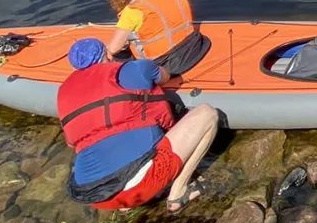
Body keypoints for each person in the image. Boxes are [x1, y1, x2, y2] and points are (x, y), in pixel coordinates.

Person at [57, 37, 219, 211]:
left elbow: (71, 142)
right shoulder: (132, 69)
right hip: (139, 185)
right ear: (108, 55)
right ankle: (179, 193)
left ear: (74, 68)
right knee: (207, 114)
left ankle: (125, 205)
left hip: (97, 198)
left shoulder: (63, 93)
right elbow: (164, 76)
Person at [104, 0, 209, 75]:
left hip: (165, 64)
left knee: (119, 53)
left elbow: (113, 48)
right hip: (194, 47)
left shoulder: (133, 10)